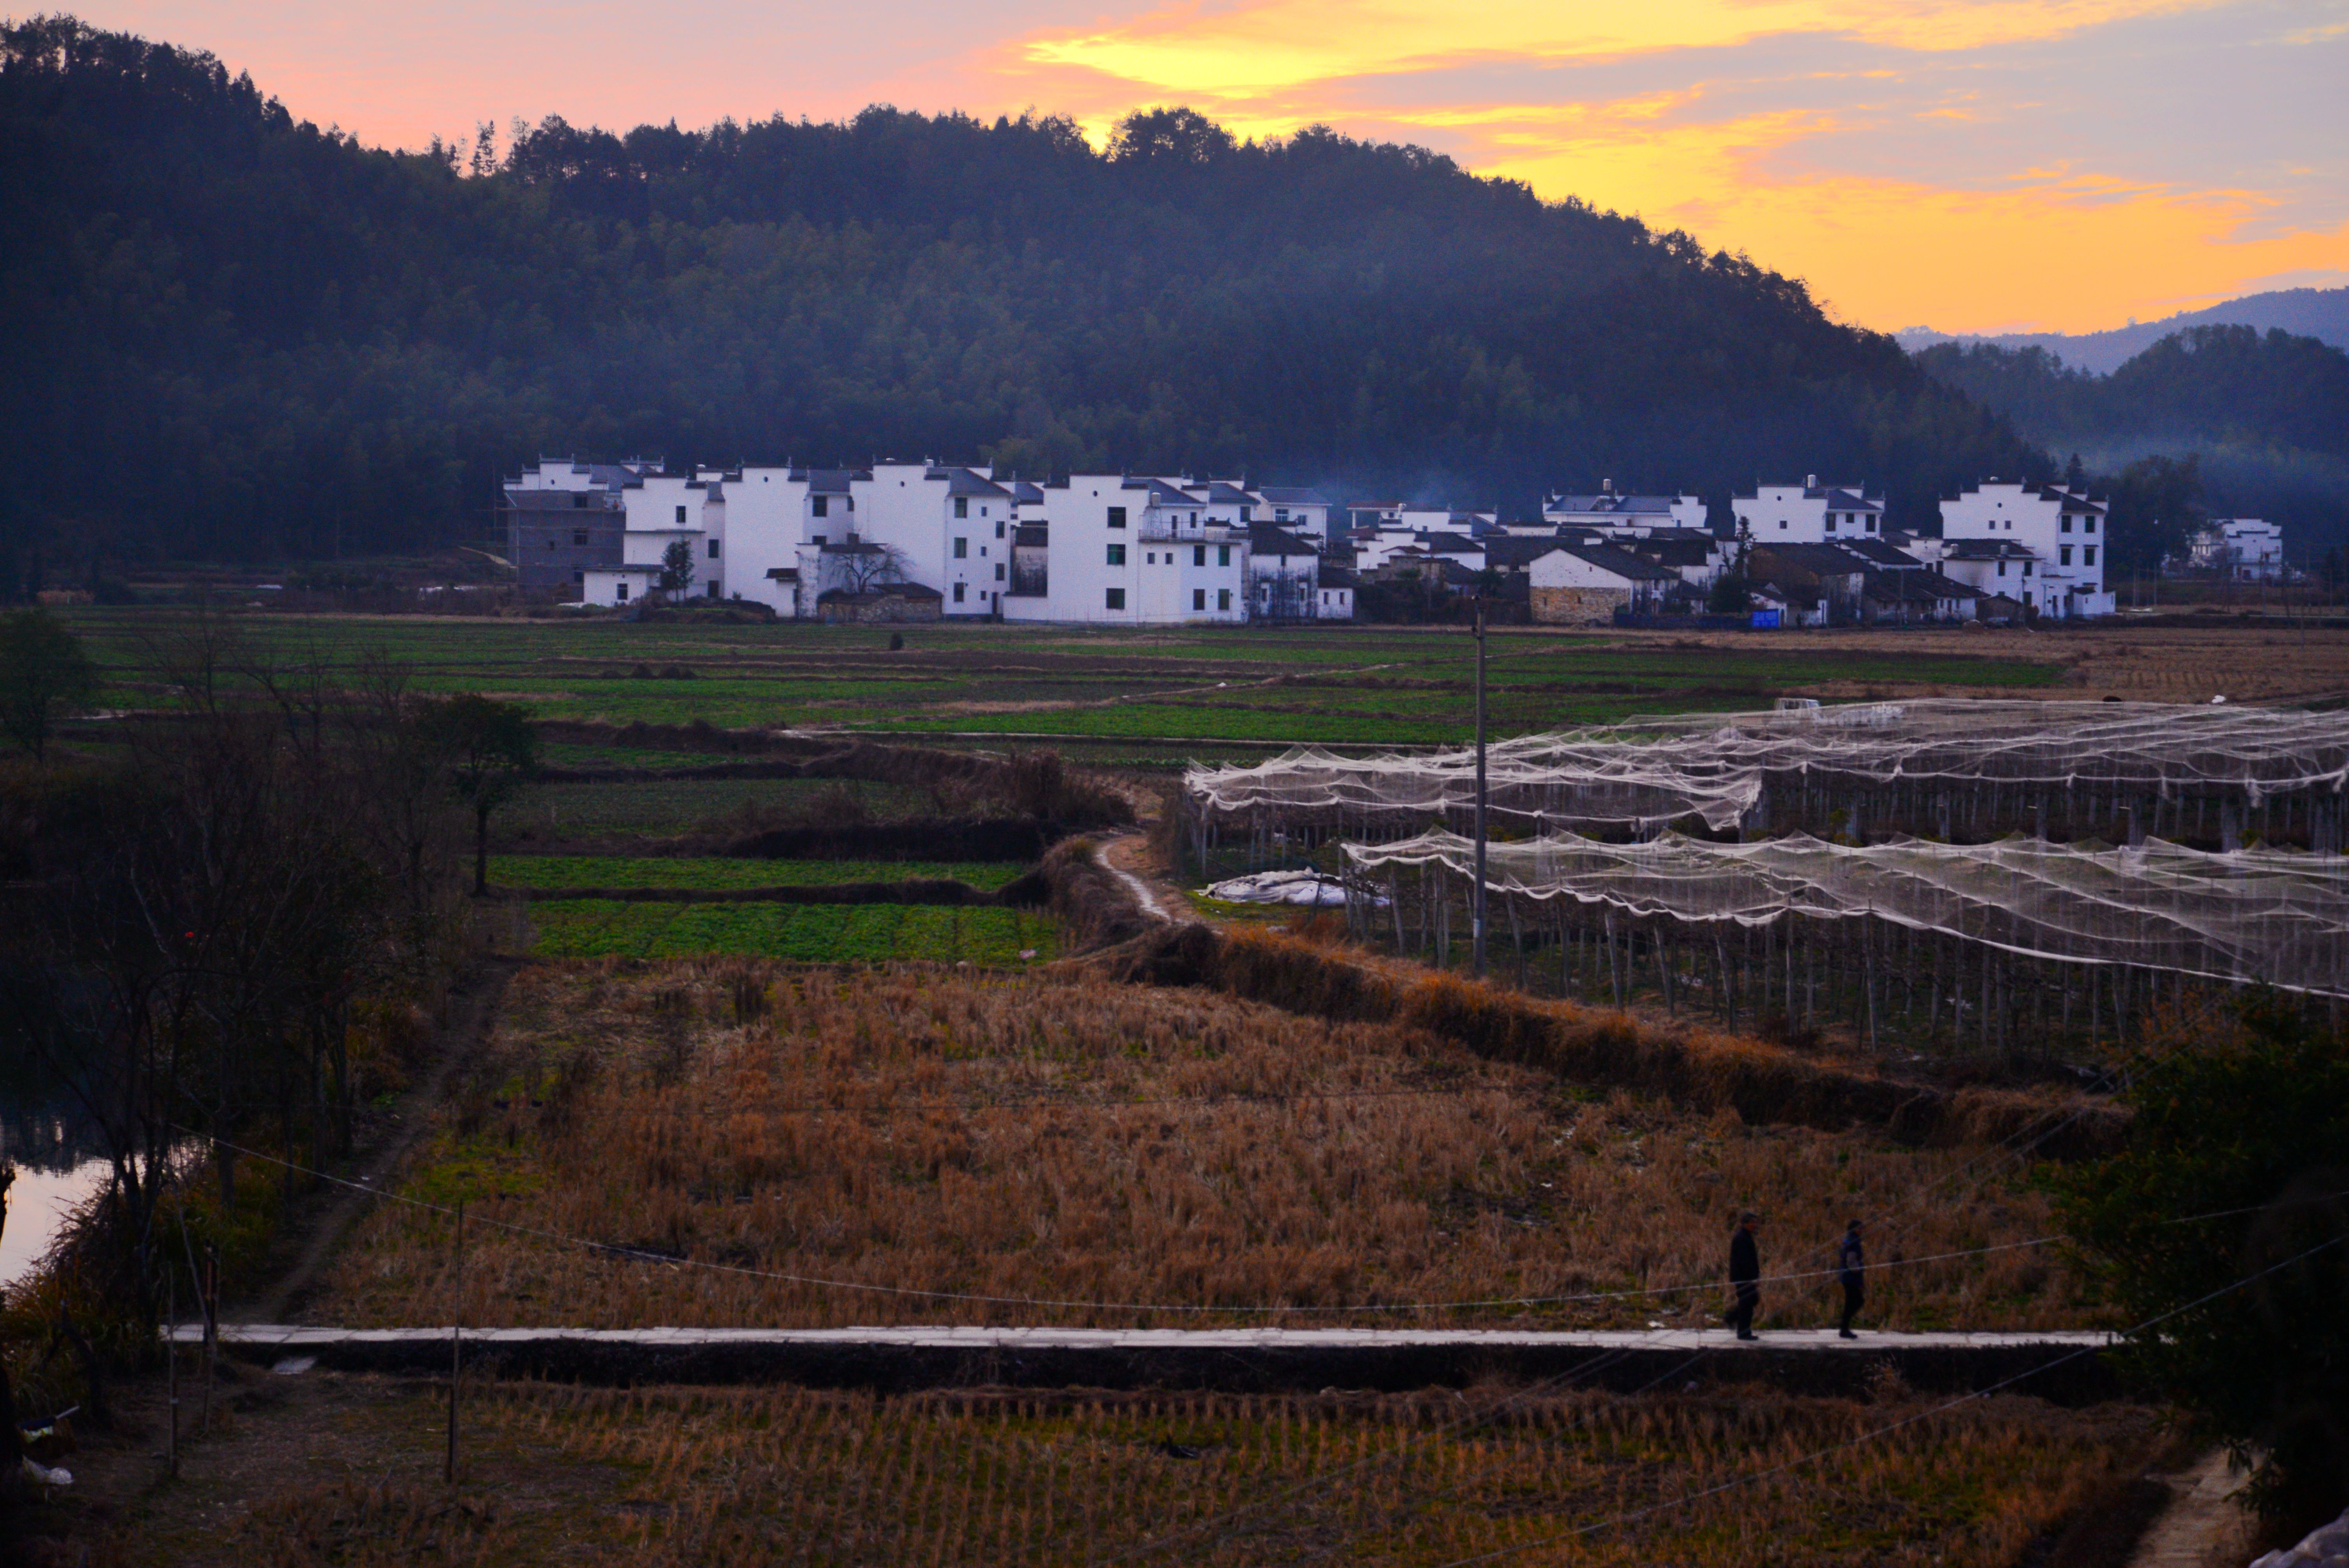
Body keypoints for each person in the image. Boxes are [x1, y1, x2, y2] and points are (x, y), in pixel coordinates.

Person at [1728, 1212, 1761, 1340]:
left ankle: (1731, 1317)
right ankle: (1744, 1333)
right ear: (1745, 1223)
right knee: (1747, 1303)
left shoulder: (1746, 1236)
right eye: (1753, 1222)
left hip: (1746, 1277)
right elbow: (1745, 1262)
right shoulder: (1741, 1238)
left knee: (1752, 1300)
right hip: (1744, 1278)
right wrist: (1754, 1278)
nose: (1755, 1225)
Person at [1836, 1219, 1865, 1339]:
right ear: (1855, 1229)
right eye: (1860, 1228)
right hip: (1850, 1278)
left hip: (1847, 1277)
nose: (1862, 1231)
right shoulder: (1853, 1242)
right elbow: (1851, 1262)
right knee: (1857, 1301)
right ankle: (1844, 1327)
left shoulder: (1850, 1239)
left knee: (1853, 1302)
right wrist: (1860, 1269)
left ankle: (1844, 1327)